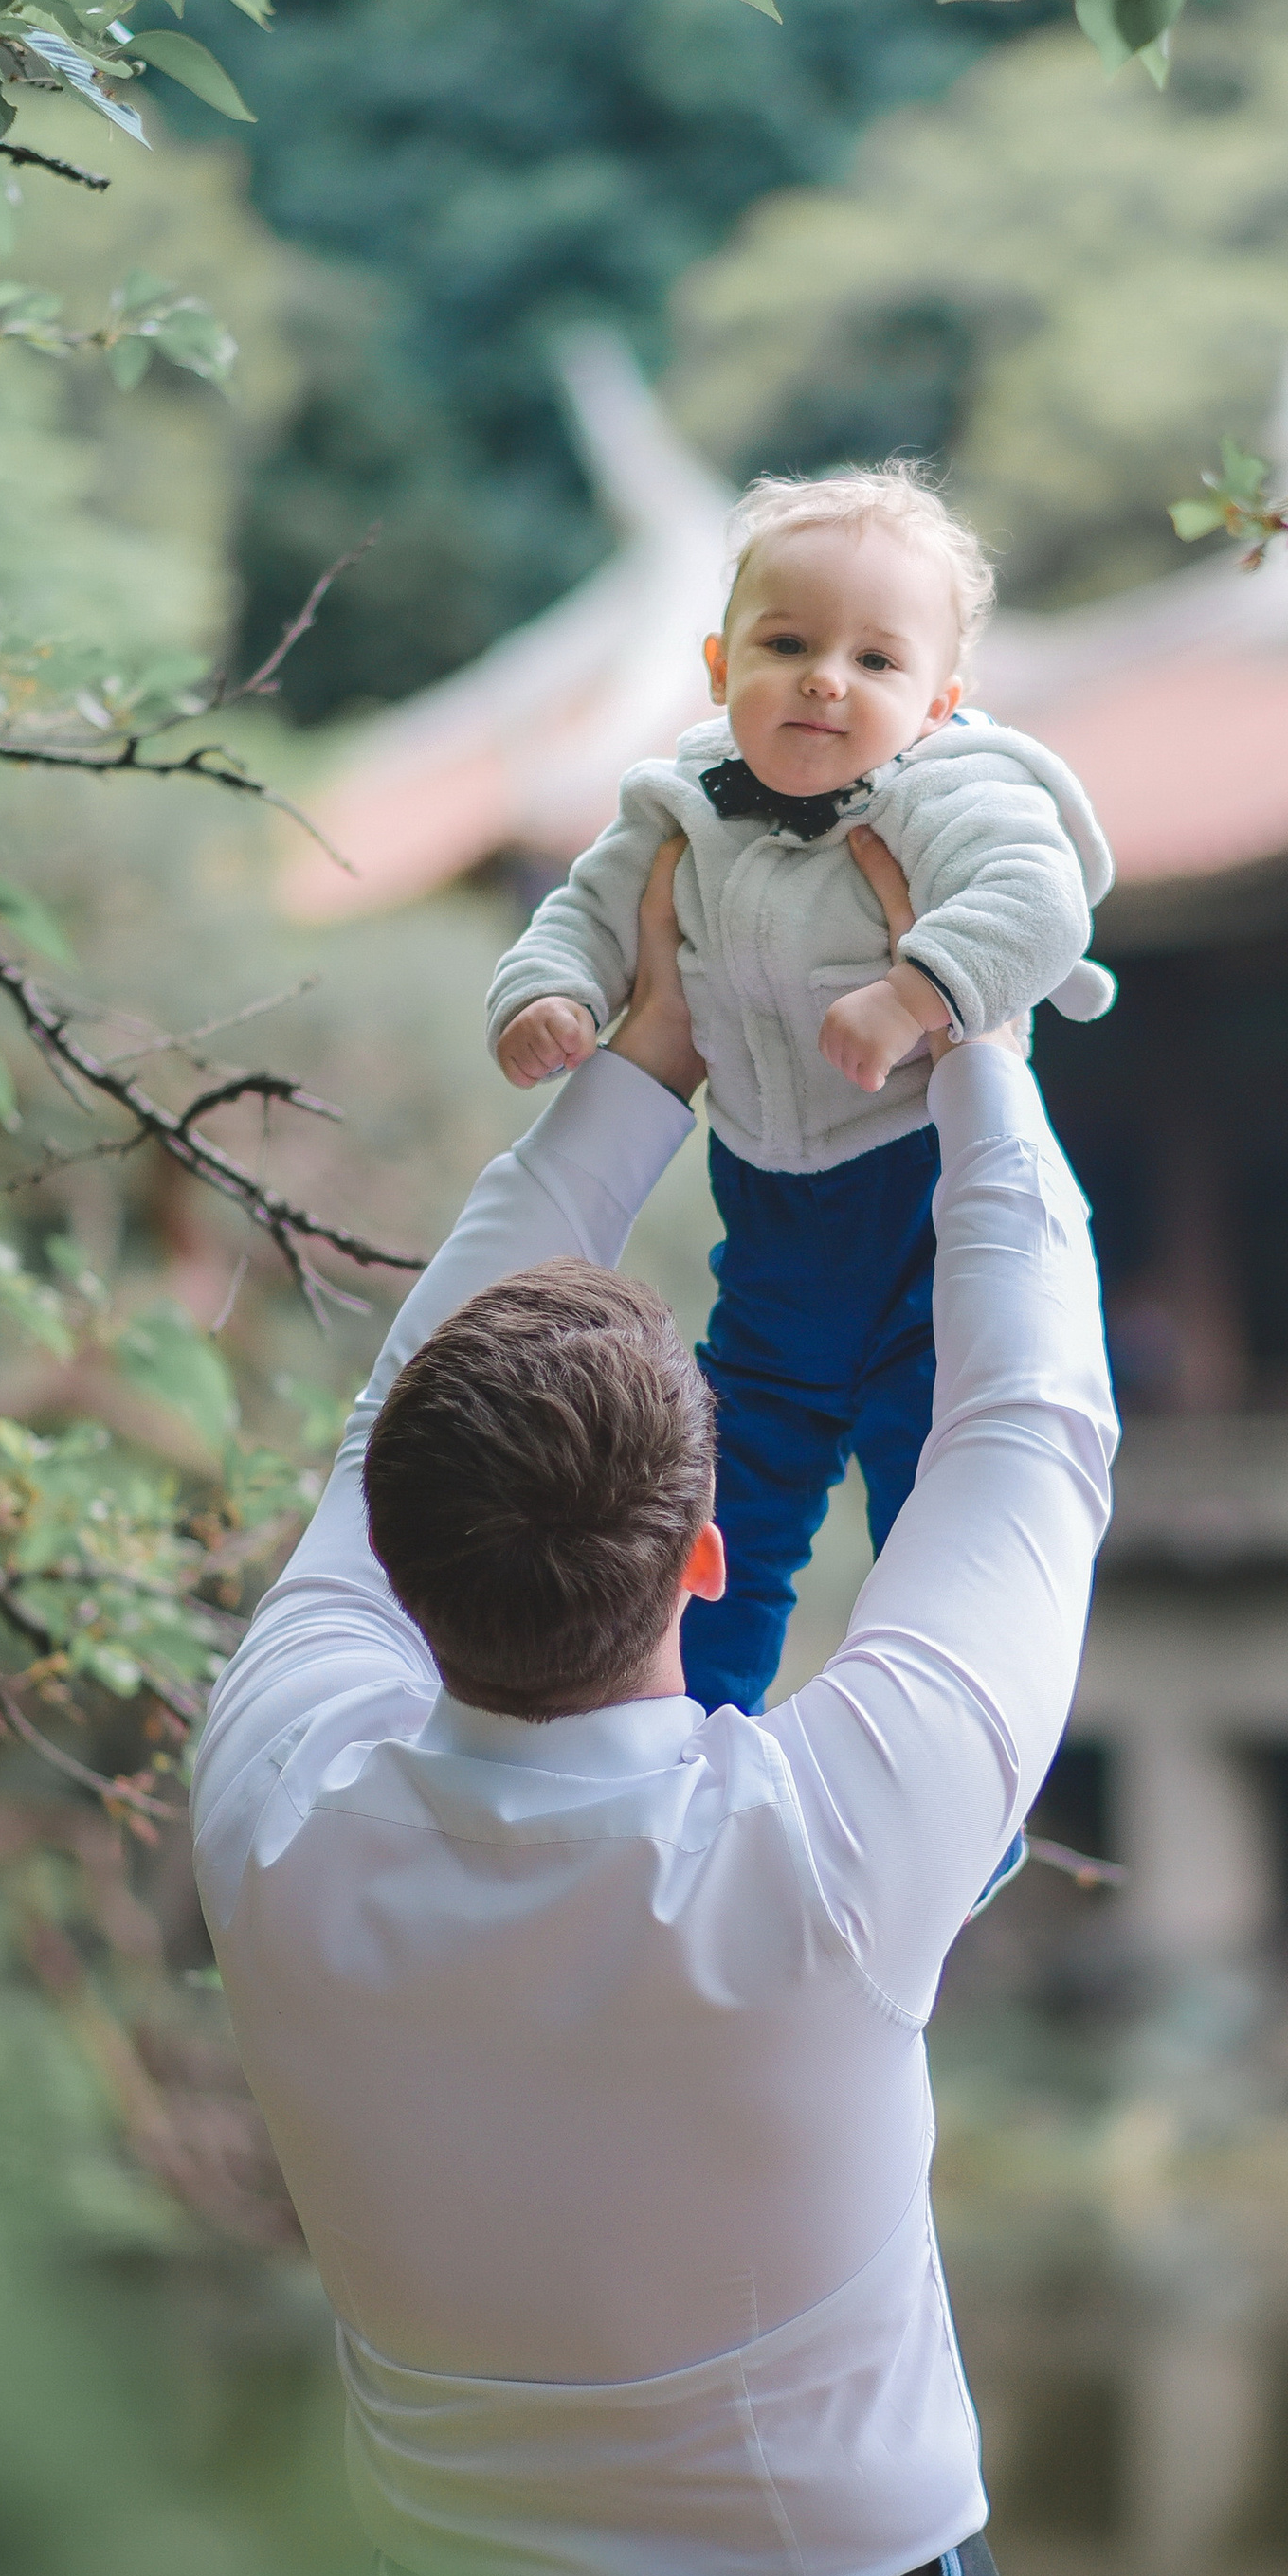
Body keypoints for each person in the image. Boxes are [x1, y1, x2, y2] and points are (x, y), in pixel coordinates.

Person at [190, 842, 1172, 2576]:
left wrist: (635, 1062)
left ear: (410, 1576)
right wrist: (972, 1023)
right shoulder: (815, 1851)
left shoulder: (274, 1810)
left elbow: (389, 1436)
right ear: (713, 1558)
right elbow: (1022, 1429)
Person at [482, 462, 1114, 1720]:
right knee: (727, 1501)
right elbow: (593, 908)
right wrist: (544, 995)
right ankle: (685, 1728)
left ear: (938, 700)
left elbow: (1041, 904)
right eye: (788, 642)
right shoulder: (682, 800)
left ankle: (953, 1791)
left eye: (875, 661)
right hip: (770, 1228)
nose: (827, 676)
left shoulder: (949, 789)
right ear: (719, 667)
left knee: (932, 1506)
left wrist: (915, 992)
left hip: (924, 1223)